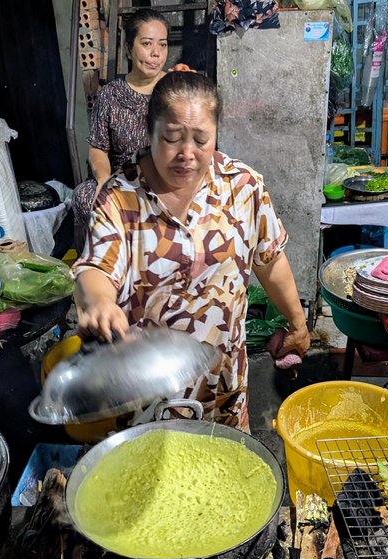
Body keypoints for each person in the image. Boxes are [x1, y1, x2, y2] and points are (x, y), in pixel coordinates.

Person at [72, 72, 310, 433]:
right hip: (149, 395)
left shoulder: (242, 187)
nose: (186, 154)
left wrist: (298, 324)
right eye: (171, 138)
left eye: (201, 140)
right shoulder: (120, 198)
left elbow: (270, 259)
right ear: (149, 130)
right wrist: (101, 303)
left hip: (224, 387)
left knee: (227, 462)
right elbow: (96, 267)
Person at [72, 8, 169, 252]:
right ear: (128, 48)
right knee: (85, 196)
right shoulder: (110, 95)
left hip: (168, 179)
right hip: (123, 181)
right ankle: (106, 265)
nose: (156, 53)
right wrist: (104, 180)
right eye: (146, 44)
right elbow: (98, 148)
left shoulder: (175, 89)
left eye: (162, 44)